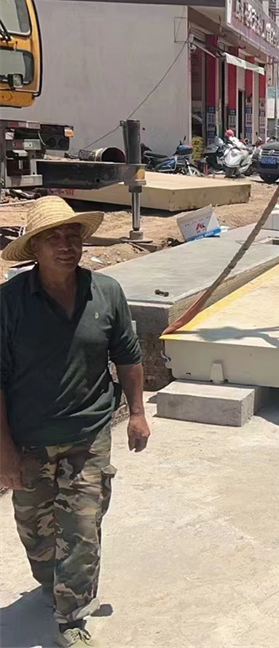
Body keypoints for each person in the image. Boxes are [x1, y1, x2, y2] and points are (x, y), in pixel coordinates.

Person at [0, 196, 150, 646]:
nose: (66, 246)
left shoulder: (106, 292)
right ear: (34, 248)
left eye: (72, 236)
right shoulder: (9, 302)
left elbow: (128, 357)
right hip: (28, 439)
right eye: (53, 238)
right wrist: (4, 453)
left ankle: (71, 619)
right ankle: (54, 585)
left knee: (82, 529)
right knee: (37, 533)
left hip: (88, 434)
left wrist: (137, 413)